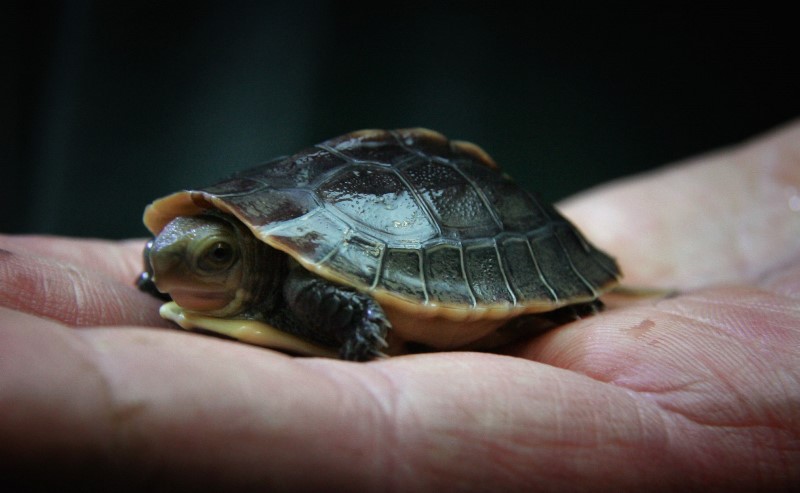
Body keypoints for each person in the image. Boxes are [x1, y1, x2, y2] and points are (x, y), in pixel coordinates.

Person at [1, 121, 798, 492]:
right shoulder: (204, 250)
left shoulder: (299, 281)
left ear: (243, 264)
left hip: (463, 216)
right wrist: (168, 274)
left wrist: (360, 334)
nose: (169, 264)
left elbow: (352, 306)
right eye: (165, 256)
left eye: (210, 256)